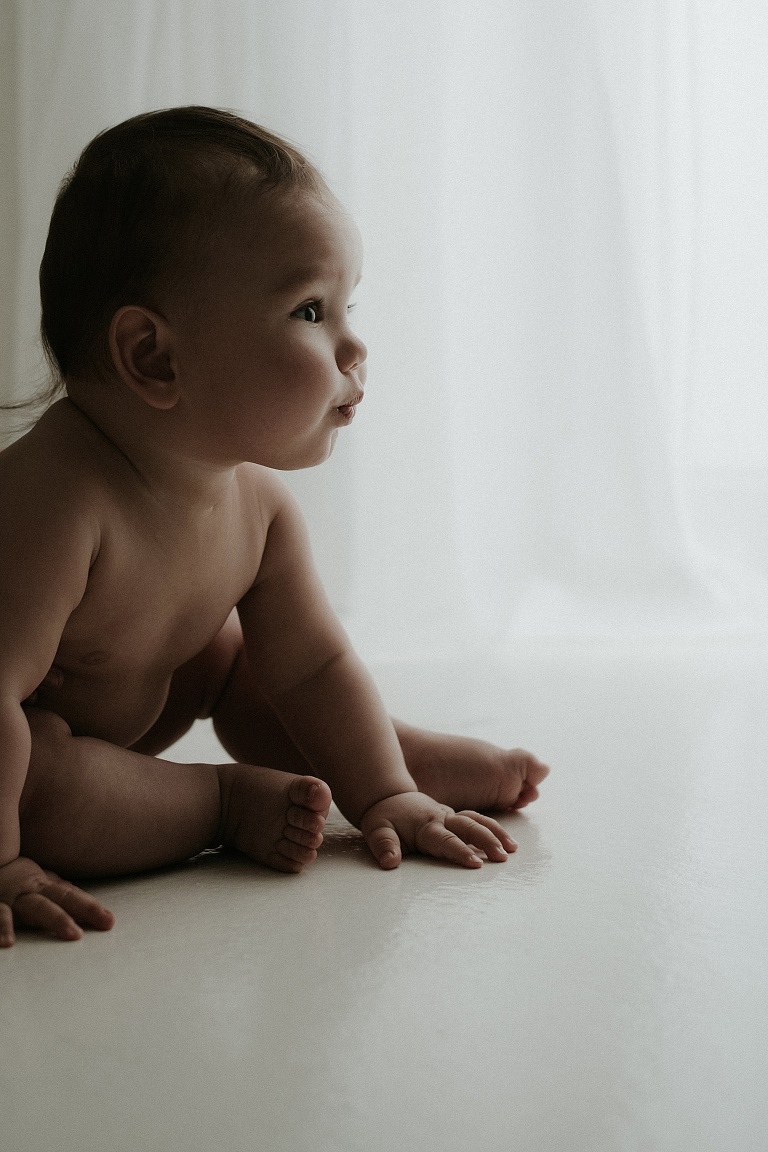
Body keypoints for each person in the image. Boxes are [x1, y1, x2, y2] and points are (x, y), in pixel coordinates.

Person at [0, 107, 549, 948]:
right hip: (33, 741)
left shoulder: (258, 507)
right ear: (154, 358)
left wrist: (384, 797)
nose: (353, 346)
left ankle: (382, 763)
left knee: (250, 668)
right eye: (309, 311)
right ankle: (216, 803)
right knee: (38, 777)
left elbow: (315, 665)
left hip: (143, 703)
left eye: (346, 307)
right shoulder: (57, 501)